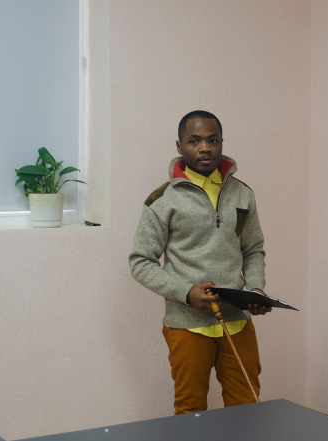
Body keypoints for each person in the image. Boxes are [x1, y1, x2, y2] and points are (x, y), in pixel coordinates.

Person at [129, 110, 271, 414]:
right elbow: (140, 262)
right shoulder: (161, 200)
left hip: (237, 320)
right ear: (179, 146)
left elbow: (252, 250)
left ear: (222, 143)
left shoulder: (243, 194)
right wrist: (185, 292)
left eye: (212, 140)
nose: (205, 148)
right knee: (190, 411)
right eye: (194, 141)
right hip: (187, 325)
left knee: (247, 409)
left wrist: (256, 290)